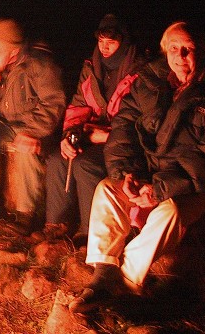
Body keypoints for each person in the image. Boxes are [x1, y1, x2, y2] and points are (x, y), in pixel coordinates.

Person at [69, 21, 205, 315]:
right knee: (107, 190)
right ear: (165, 51)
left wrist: (161, 188)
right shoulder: (150, 83)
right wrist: (127, 173)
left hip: (200, 186)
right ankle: (103, 273)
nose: (180, 55)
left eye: (188, 49)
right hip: (152, 176)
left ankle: (124, 284)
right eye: (174, 48)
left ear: (203, 52)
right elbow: (123, 128)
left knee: (170, 211)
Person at [0, 18, 66, 235]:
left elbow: (54, 102)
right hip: (5, 126)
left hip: (35, 128)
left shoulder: (38, 63)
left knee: (25, 149)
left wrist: (33, 132)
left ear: (13, 53)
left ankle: (25, 214)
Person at [44, 14, 146, 244]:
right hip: (92, 133)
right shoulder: (92, 67)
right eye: (101, 41)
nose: (105, 47)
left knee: (86, 164)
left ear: (124, 41)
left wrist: (109, 137)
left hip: (124, 142)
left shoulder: (140, 71)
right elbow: (78, 105)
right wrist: (69, 135)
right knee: (57, 159)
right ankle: (56, 224)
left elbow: (140, 121)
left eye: (111, 42)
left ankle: (90, 230)